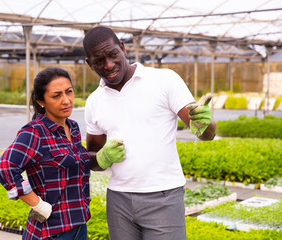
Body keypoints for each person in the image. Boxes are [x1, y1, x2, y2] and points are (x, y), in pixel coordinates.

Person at [82, 26, 216, 240]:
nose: (108, 65)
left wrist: (205, 123)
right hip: (119, 201)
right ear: (89, 64)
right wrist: (101, 157)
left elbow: (206, 134)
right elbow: (93, 159)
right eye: (99, 60)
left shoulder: (164, 80)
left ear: (123, 48)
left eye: (113, 54)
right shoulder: (94, 101)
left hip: (163, 197)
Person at [0, 67, 92, 240]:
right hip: (51, 231)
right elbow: (5, 168)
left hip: (79, 226)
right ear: (41, 101)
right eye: (56, 95)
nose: (66, 100)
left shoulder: (73, 127)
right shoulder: (35, 132)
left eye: (69, 92)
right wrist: (37, 204)